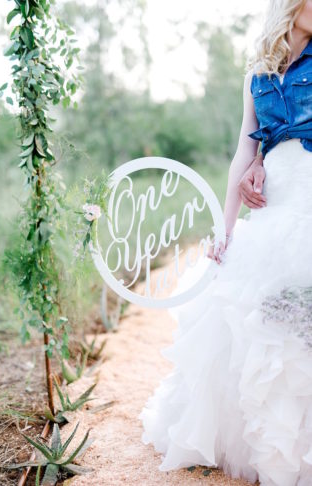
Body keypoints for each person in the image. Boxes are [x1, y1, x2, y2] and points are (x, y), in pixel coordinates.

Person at [138, 1, 312, 485]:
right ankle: (272, 441)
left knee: (302, 312)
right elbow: (245, 146)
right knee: (258, 313)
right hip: (275, 195)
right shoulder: (257, 70)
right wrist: (226, 227)